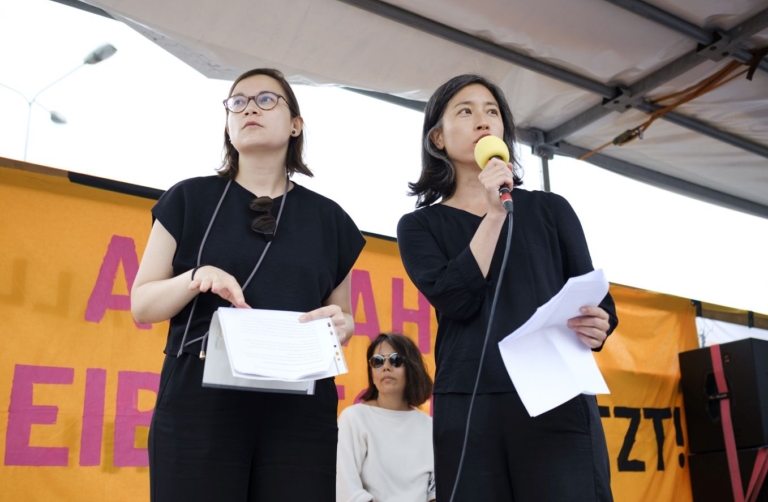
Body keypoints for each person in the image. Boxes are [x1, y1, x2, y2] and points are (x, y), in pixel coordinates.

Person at [131, 68, 366, 502]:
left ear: (296, 124)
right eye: (237, 102)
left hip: (300, 404)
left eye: (265, 99)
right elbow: (142, 304)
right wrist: (195, 277)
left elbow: (342, 316)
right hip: (198, 398)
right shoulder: (187, 199)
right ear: (227, 122)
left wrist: (343, 325)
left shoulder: (330, 220)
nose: (249, 108)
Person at [396, 74, 619, 502]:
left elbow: (594, 296)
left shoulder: (551, 209)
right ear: (438, 138)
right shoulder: (420, 225)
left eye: (492, 111)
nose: (483, 120)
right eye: (466, 111)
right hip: (471, 402)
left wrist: (600, 323)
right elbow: (456, 299)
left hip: (557, 392)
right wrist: (493, 215)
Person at [336, 333, 436, 502]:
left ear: (412, 368)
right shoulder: (354, 418)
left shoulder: (429, 425)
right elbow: (345, 486)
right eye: (378, 361)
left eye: (395, 360)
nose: (386, 367)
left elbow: (434, 491)